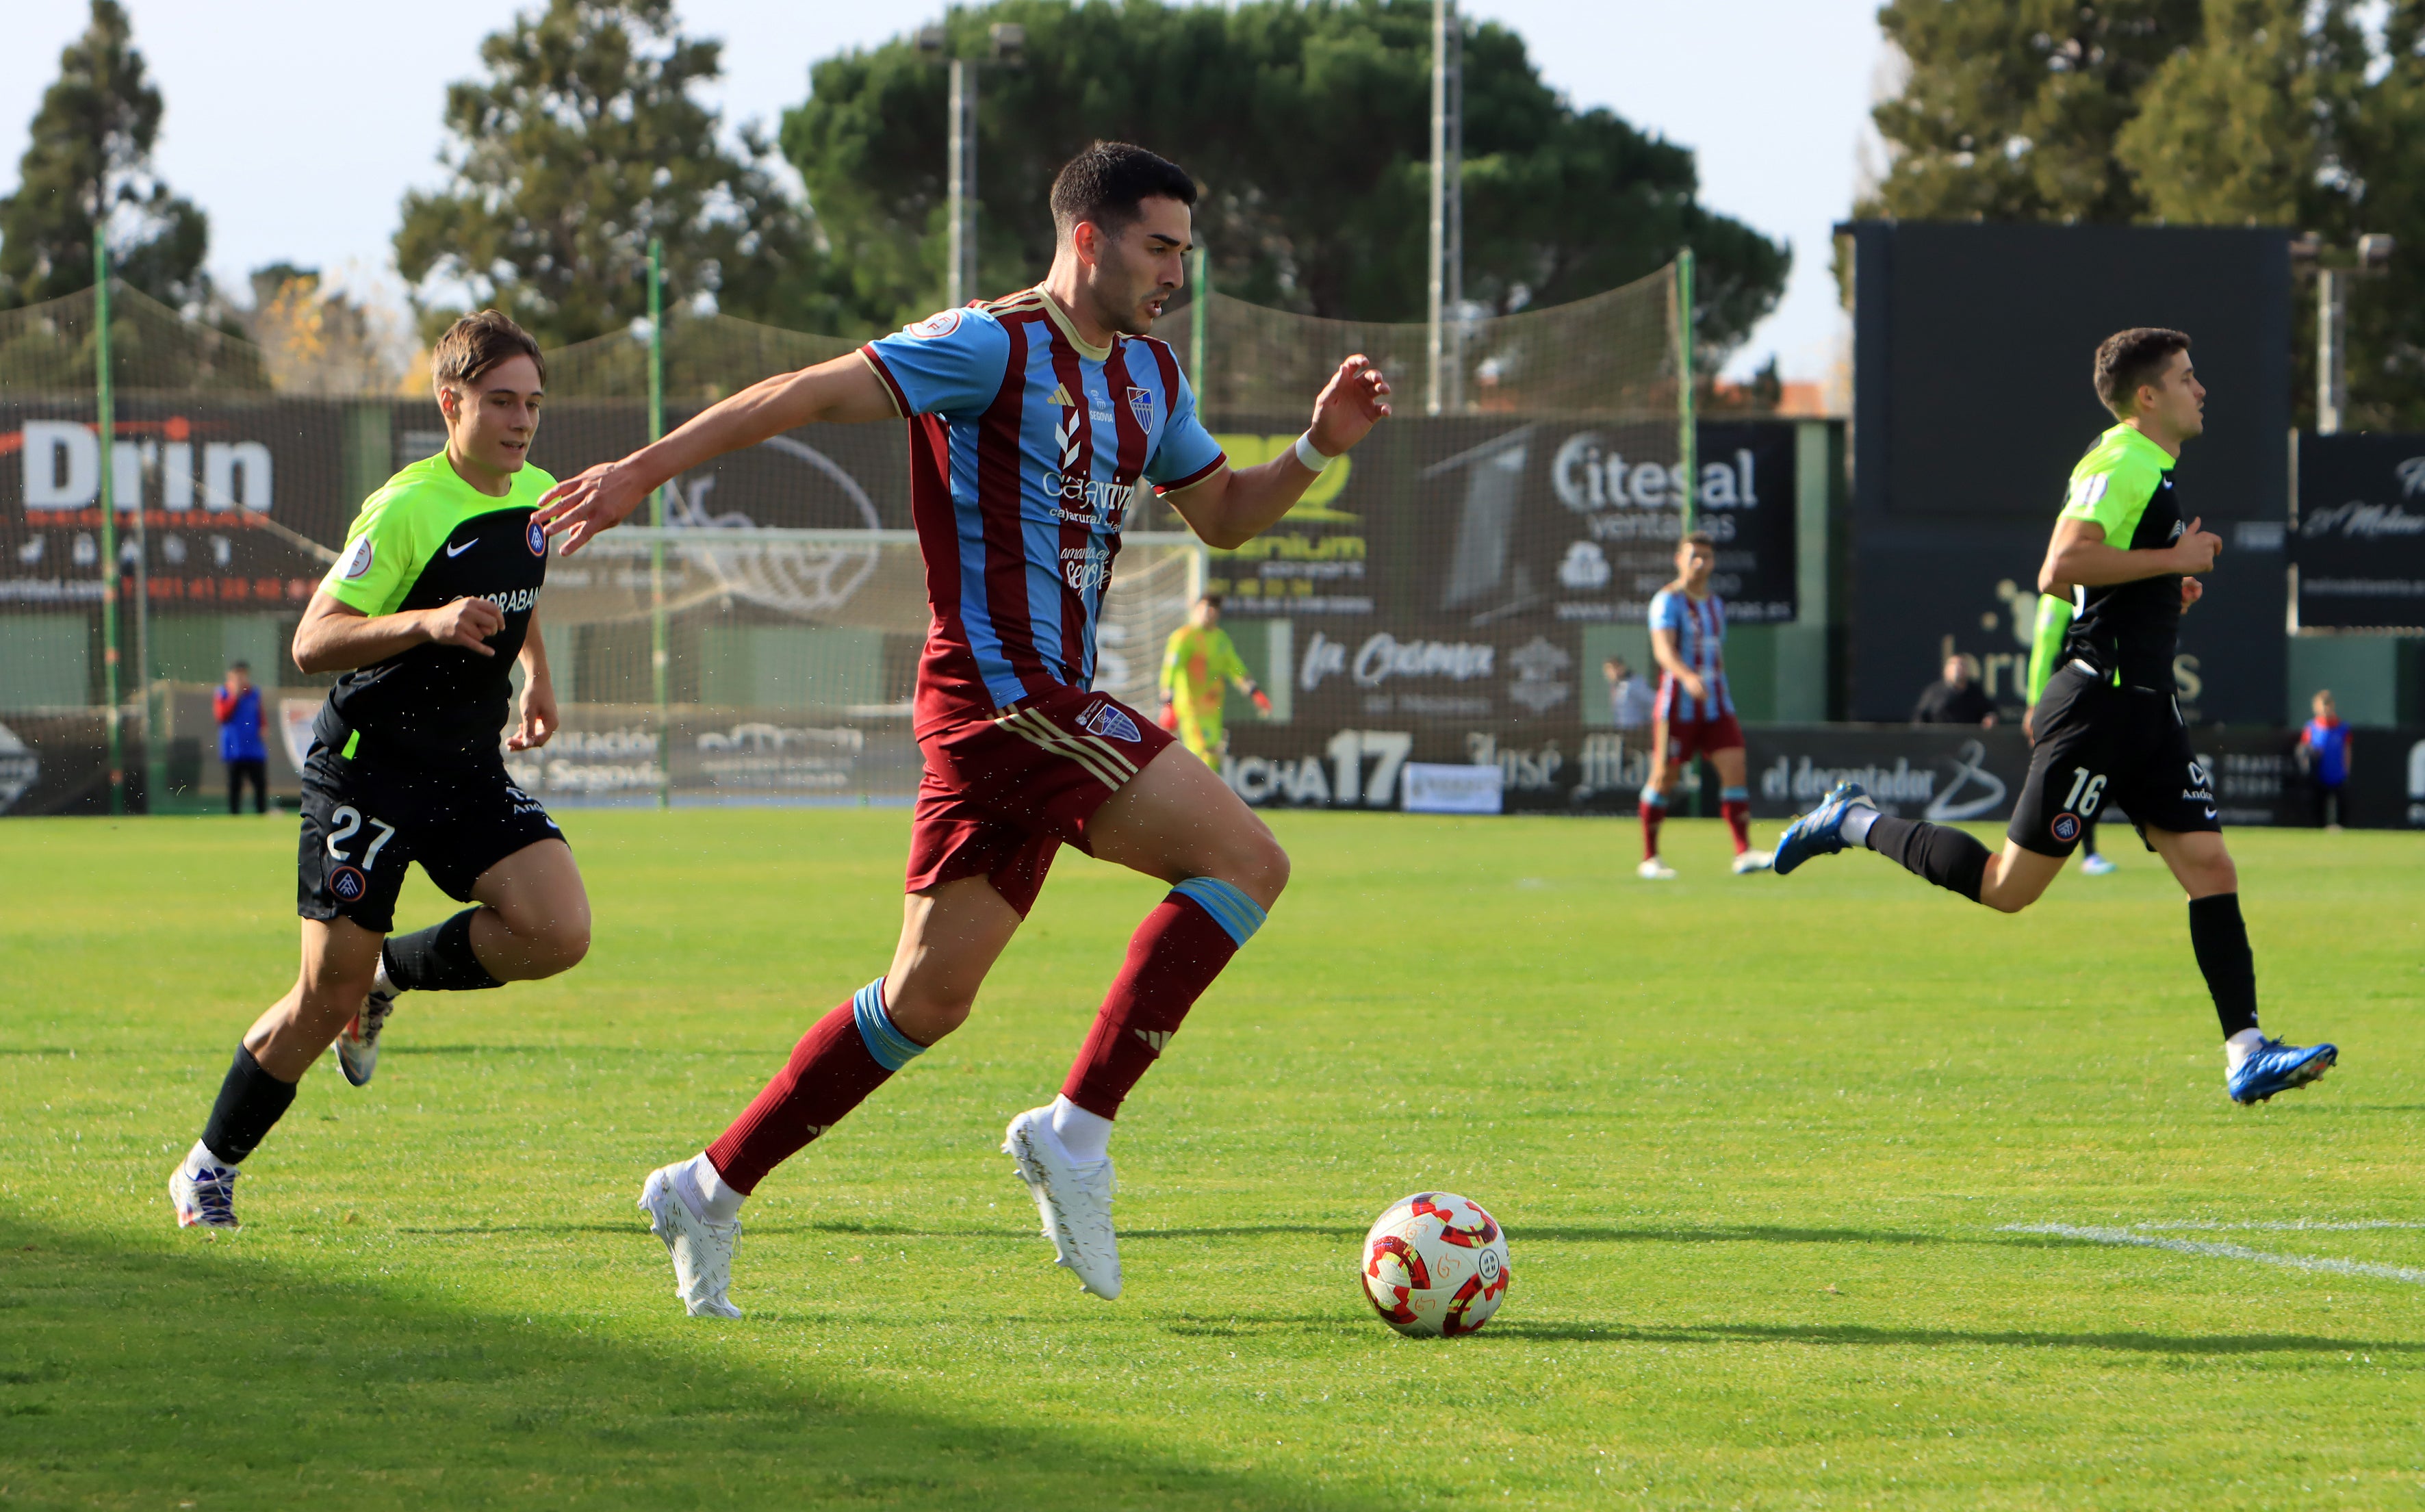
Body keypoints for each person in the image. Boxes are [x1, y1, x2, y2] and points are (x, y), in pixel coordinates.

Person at [535, 142, 1393, 1318]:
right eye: (1157, 247)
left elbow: (1225, 516)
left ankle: (705, 1185)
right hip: (1008, 695)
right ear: (1085, 238)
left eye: (1185, 253)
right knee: (1247, 861)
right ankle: (1073, 1134)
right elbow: (798, 395)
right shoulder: (987, 344)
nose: (1173, 273)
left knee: (924, 999)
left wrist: (1314, 448)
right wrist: (641, 468)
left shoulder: (1149, 375)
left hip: (1015, 712)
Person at [1773, 326, 2336, 1105]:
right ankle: (1853, 822)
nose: (2201, 389)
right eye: (2186, 377)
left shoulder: (2153, 470)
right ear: (2149, 396)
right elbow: (2058, 568)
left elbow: (2100, 581)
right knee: (2009, 888)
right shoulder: (2123, 459)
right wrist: (2173, 562)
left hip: (2147, 708)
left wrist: (2161, 589)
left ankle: (2246, 1052)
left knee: (2210, 867)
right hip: (2099, 706)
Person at [167, 311, 591, 1230]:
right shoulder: (406, 506)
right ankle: (208, 1166)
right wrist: (427, 620)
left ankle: (390, 978)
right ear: (451, 402)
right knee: (322, 996)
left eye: (532, 403)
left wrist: (537, 677)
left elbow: (521, 597)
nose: (520, 421)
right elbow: (314, 640)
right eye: (499, 402)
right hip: (368, 773)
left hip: (466, 768)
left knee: (558, 929)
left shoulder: (540, 494)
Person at [1639, 533, 1770, 879]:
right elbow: (1663, 651)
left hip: (1716, 706)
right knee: (1664, 776)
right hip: (1676, 706)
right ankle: (1650, 857)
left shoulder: (1715, 604)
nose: (1701, 563)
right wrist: (1686, 677)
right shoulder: (1666, 601)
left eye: (1707, 557)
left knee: (1735, 768)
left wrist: (1717, 688)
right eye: (1694, 556)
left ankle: (1744, 852)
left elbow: (1717, 656)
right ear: (1678, 559)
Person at [2024, 594, 2116, 875]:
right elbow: (2044, 649)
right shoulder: (2058, 598)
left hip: (2095, 698)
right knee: (2056, 775)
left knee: (2084, 775)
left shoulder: (2099, 593)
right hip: (2066, 699)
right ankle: (2032, 848)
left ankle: (2085, 852)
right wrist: (2034, 704)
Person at [1157, 593, 1270, 766]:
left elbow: (1236, 669)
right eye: (1205, 607)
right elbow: (1170, 670)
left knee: (1214, 755)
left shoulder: (1220, 639)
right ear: (1196, 609)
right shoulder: (1184, 637)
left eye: (1214, 608)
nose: (1209, 612)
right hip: (1191, 708)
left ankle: (1202, 792)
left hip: (1213, 710)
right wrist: (1168, 704)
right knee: (1202, 753)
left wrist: (1255, 693)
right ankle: (1198, 792)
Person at [213, 660, 268, 813]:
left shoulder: (254, 693)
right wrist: (234, 695)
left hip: (254, 748)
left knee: (259, 784)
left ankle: (261, 814)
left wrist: (263, 727)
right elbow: (222, 716)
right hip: (234, 748)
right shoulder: (223, 693)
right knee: (234, 786)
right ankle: (234, 815)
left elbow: (260, 715)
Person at [2297, 689, 2351, 830]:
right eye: (2322, 705)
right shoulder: (2311, 727)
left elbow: (2347, 750)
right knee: (2318, 806)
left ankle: (2339, 827)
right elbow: (2304, 748)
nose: (2326, 708)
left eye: (2328, 704)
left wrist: (2346, 769)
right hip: (2319, 774)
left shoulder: (2342, 728)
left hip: (2337, 773)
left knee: (2340, 804)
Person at [1911, 653, 1997, 726]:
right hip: (1941, 740)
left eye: (1962, 665)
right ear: (1946, 670)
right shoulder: (1934, 691)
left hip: (1967, 741)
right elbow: (1919, 717)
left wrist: (1990, 718)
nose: (1958, 668)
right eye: (1953, 664)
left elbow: (1989, 712)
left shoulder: (1976, 692)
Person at [1604, 656, 1654, 732]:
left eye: (1615, 668)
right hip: (1622, 731)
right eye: (1608, 670)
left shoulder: (1635, 683)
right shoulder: (1615, 687)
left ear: (1622, 667)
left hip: (1637, 731)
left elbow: (1653, 700)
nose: (1611, 672)